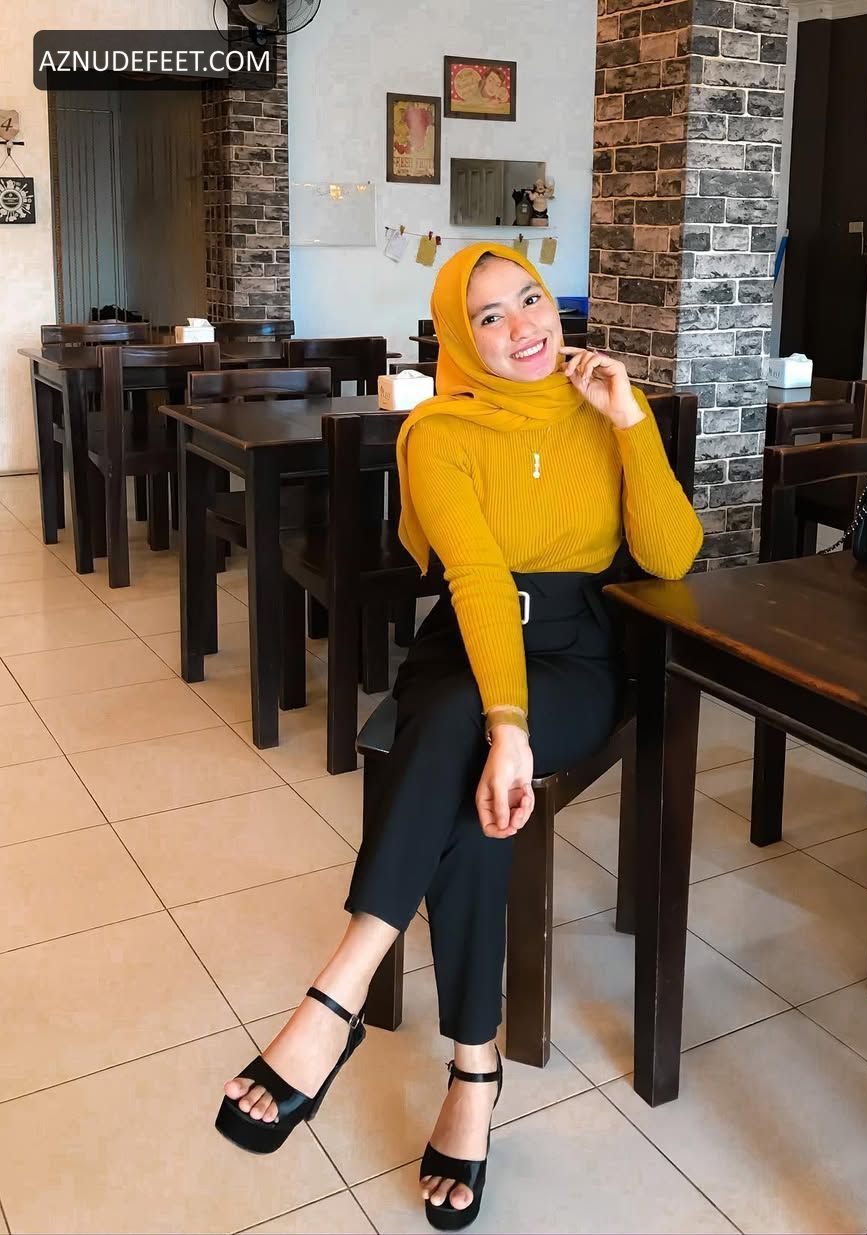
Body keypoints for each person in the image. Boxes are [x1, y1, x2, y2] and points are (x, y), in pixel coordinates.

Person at [215, 243, 703, 1229]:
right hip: (469, 640)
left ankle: (335, 996)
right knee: (466, 740)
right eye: (489, 316)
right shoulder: (437, 430)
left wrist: (631, 422)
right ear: (458, 336)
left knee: (462, 737)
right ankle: (473, 1067)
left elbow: (672, 555)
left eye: (531, 299)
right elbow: (475, 578)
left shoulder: (605, 410)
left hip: (578, 653)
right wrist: (505, 722)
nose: (522, 326)